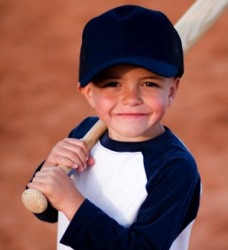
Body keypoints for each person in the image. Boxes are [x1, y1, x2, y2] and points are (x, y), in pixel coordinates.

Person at [27, 5, 201, 250]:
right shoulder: (84, 134)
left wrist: (72, 201)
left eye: (149, 83)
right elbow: (45, 210)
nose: (131, 98)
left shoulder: (174, 167)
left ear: (171, 90)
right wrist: (48, 173)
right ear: (88, 92)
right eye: (113, 83)